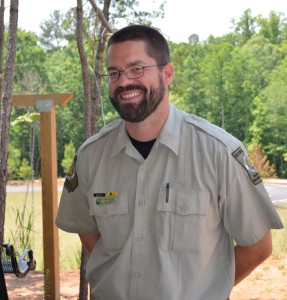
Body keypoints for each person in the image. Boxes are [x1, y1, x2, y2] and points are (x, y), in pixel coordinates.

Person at [56, 24, 283, 300]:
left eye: (137, 68)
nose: (124, 81)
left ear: (167, 73)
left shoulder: (218, 152)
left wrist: (206, 290)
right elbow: (88, 231)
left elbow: (258, 246)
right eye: (114, 73)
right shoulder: (91, 156)